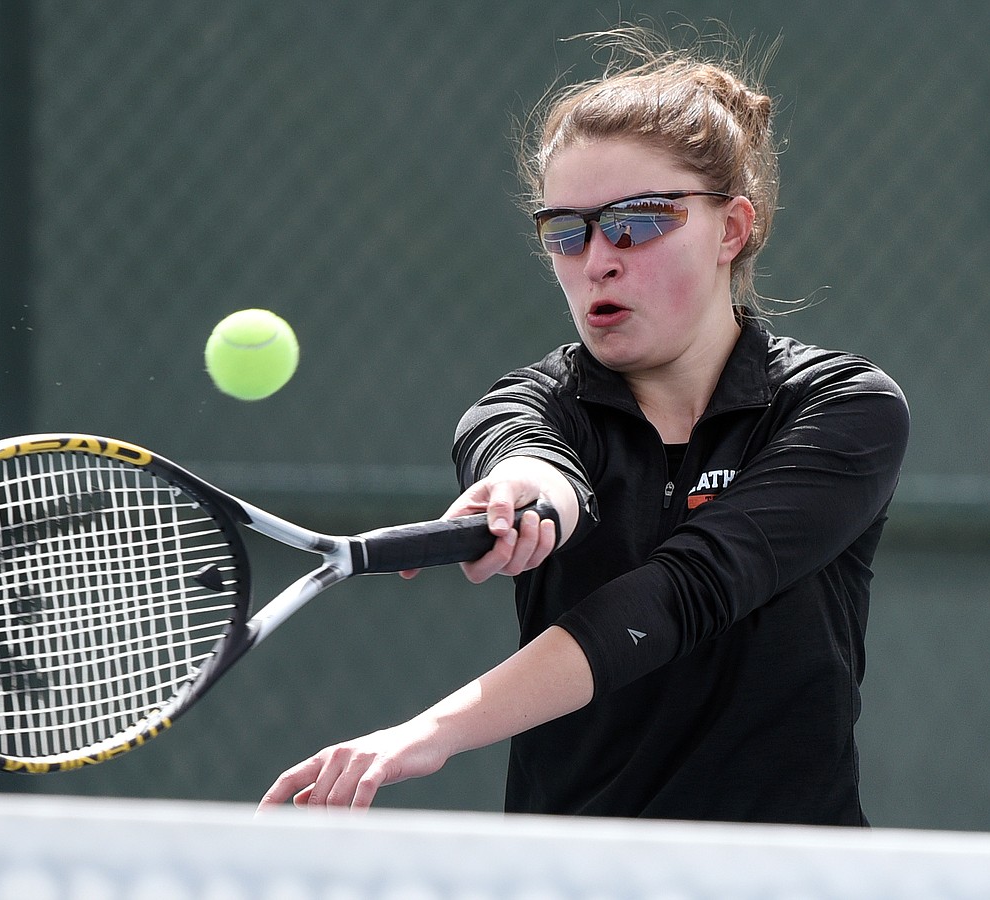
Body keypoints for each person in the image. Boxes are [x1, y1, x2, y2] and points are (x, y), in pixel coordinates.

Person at [258, 24, 909, 826]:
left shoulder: (843, 405)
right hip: (563, 870)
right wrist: (525, 496)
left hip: (791, 870)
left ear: (731, 230)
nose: (597, 258)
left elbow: (688, 591)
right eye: (567, 230)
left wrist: (428, 734)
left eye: (635, 222)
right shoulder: (529, 402)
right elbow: (535, 462)